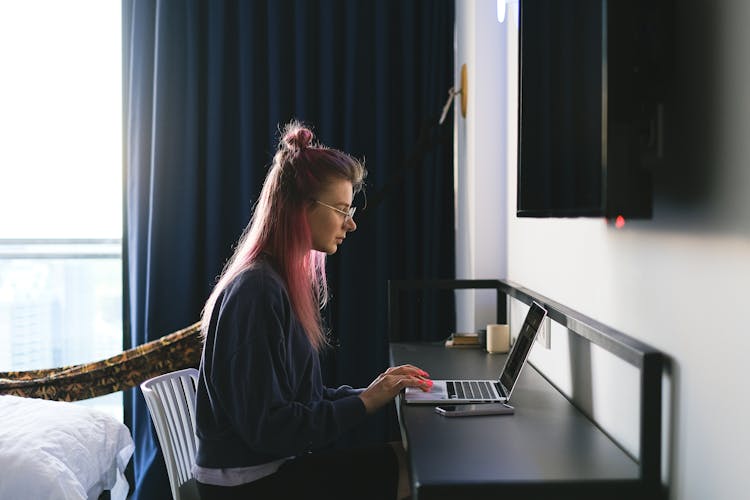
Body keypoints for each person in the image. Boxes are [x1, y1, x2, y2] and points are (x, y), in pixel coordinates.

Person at [193, 120, 433, 500]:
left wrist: (370, 392)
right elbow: (271, 428)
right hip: (251, 486)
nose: (351, 223)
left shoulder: (274, 282)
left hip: (268, 470)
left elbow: (297, 400)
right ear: (299, 209)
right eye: (341, 209)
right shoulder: (257, 291)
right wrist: (366, 402)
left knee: (418, 463)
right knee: (421, 472)